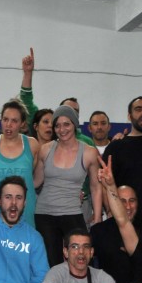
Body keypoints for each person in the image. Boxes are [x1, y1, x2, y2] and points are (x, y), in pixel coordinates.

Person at [34, 105, 103, 265]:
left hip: (72, 212)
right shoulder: (45, 150)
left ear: (75, 125)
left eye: (66, 124)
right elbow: (35, 182)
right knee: (51, 263)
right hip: (44, 214)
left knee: (80, 260)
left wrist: (98, 216)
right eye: (57, 125)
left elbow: (95, 187)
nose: (62, 129)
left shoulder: (89, 152)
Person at [102, 96, 142, 224]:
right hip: (127, 218)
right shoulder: (116, 147)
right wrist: (110, 209)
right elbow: (104, 183)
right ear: (129, 116)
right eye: (138, 109)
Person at [0, 100, 40, 227]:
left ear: (22, 123)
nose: (8, 125)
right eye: (5, 119)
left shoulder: (32, 144)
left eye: (14, 121)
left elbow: (35, 177)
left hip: (24, 213)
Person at [90, 184, 139, 283]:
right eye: (123, 201)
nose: (128, 206)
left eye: (132, 200)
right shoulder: (99, 231)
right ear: (114, 203)